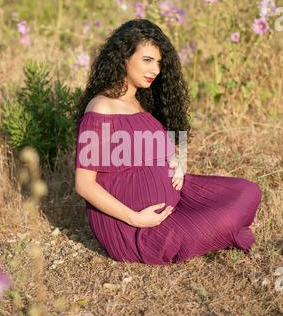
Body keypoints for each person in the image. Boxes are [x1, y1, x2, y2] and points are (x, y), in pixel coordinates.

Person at [74, 19, 262, 265]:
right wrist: (135, 219)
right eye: (147, 60)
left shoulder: (140, 102)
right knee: (227, 218)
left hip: (175, 199)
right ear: (123, 58)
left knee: (248, 191)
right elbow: (84, 184)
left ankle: (211, 228)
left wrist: (177, 162)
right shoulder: (101, 107)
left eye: (159, 63)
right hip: (138, 228)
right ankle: (215, 230)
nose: (155, 70)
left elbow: (154, 145)